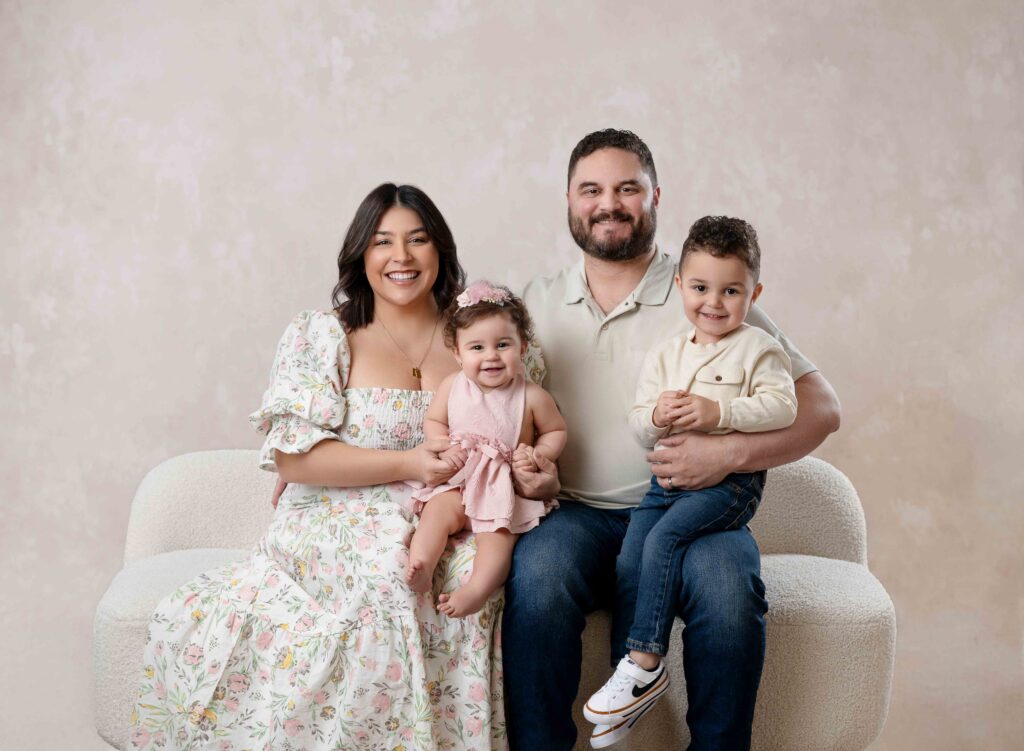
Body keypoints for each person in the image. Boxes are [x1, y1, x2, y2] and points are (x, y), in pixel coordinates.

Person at [128, 183, 535, 750]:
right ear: (360, 254)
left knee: (473, 577)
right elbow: (294, 457)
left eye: (418, 240)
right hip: (336, 511)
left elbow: (525, 429)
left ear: (440, 250)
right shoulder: (325, 334)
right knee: (385, 578)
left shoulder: (482, 336)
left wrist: (534, 470)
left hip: (451, 512)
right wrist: (409, 461)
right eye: (382, 241)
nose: (401, 256)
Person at [503, 130, 841, 750]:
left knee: (729, 593)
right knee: (538, 579)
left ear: (655, 197)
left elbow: (822, 408)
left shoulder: (706, 292)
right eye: (591, 190)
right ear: (569, 201)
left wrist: (729, 452)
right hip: (574, 514)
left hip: (694, 511)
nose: (609, 203)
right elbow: (490, 401)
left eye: (627, 188)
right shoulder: (534, 302)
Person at [582, 215, 797, 741]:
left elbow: (784, 406)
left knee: (666, 539)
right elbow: (639, 422)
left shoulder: (759, 348)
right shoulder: (668, 353)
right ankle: (627, 689)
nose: (713, 303)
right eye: (700, 288)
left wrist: (718, 413)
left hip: (729, 486)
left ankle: (645, 662)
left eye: (731, 291)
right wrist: (656, 417)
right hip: (664, 486)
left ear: (754, 294)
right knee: (633, 554)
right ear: (680, 284)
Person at [406, 280, 567, 617]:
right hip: (459, 476)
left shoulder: (532, 395)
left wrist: (540, 453)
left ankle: (476, 590)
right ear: (457, 353)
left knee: (498, 540)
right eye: (476, 347)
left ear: (522, 347)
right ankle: (422, 563)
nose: (491, 355)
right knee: (436, 515)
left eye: (503, 344)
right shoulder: (452, 386)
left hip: (500, 486)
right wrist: (442, 444)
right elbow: (434, 421)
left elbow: (556, 430)